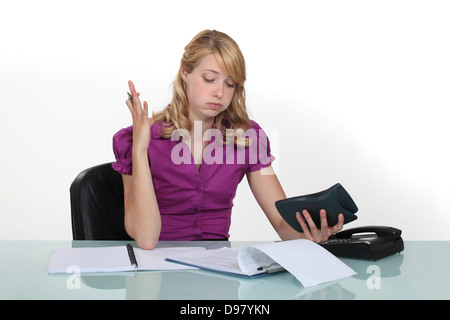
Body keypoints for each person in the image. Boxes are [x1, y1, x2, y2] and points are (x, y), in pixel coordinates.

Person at [112, 30, 344, 249]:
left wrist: (309, 235)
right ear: (185, 72)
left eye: (230, 83)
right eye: (210, 79)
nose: (220, 93)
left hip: (219, 271)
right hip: (159, 275)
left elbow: (282, 224)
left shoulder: (248, 139)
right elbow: (146, 239)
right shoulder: (136, 140)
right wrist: (140, 151)